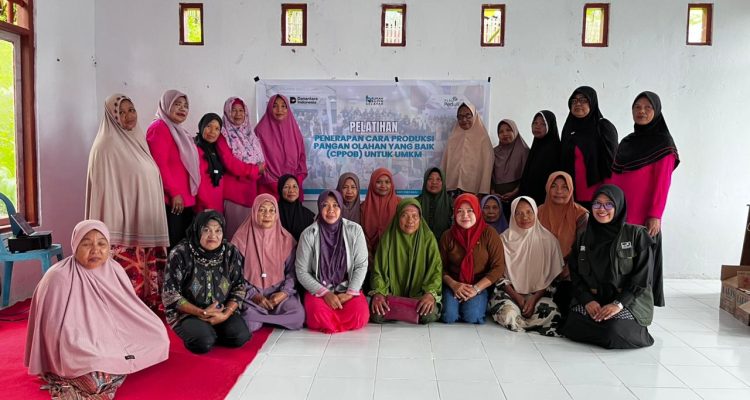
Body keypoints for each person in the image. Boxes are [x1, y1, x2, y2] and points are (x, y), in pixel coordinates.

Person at [25, 220, 169, 399]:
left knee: (159, 337)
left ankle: (113, 365)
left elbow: (129, 308)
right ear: (75, 246)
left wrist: (119, 339)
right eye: (86, 244)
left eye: (102, 244)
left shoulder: (114, 269)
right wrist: (85, 348)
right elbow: (51, 330)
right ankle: (103, 368)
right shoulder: (58, 277)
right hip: (78, 343)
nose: (95, 250)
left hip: (113, 335)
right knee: (94, 376)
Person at [85, 93, 170, 311]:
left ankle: (148, 304)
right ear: (112, 117)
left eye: (131, 110)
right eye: (121, 113)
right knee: (128, 276)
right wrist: (115, 223)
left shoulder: (136, 139)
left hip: (144, 220)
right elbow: (104, 192)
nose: (128, 116)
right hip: (123, 226)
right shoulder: (105, 146)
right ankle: (127, 310)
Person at [561, 185, 655, 349]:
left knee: (613, 330)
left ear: (619, 206)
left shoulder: (636, 235)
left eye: (609, 204)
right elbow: (575, 275)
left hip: (628, 301)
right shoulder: (583, 237)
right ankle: (603, 329)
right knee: (571, 325)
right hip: (595, 300)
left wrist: (618, 304)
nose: (602, 209)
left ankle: (614, 330)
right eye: (597, 203)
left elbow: (642, 279)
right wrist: (587, 300)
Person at [610, 91, 679, 308]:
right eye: (637, 107)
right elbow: (614, 178)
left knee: (640, 261)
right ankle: (618, 303)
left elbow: (663, 183)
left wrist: (655, 215)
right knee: (621, 260)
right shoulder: (627, 142)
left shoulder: (663, 144)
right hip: (620, 213)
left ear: (656, 111)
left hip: (643, 216)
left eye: (648, 107)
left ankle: (640, 307)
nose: (641, 111)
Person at [162, 211, 251, 354]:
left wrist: (225, 314)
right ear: (197, 230)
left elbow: (239, 287)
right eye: (206, 230)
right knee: (203, 343)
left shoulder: (230, 252)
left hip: (221, 310)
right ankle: (204, 332)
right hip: (188, 313)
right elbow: (170, 295)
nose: (213, 235)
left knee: (240, 336)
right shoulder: (180, 254)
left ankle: (211, 329)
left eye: (217, 230)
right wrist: (201, 312)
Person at [295, 190, 370, 333]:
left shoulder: (355, 230)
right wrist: (325, 294)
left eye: (335, 205)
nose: (331, 210)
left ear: (341, 207)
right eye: (325, 205)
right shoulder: (308, 234)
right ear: (319, 207)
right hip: (320, 289)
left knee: (360, 315)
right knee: (316, 316)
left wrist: (350, 293)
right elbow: (301, 271)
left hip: (347, 288)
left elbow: (361, 265)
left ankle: (333, 324)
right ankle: (333, 323)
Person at [489, 197, 564, 336]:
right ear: (513, 215)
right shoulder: (503, 240)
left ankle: (521, 323)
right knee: (508, 313)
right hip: (510, 293)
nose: (525, 217)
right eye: (519, 213)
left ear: (536, 212)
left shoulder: (549, 240)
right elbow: (498, 274)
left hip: (539, 295)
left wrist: (533, 299)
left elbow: (551, 278)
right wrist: (518, 298)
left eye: (529, 212)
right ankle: (528, 323)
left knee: (552, 313)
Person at [231, 194, 304, 332]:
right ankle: (267, 318)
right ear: (254, 212)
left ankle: (262, 318)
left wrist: (284, 293)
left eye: (272, 210)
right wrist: (253, 295)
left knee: (298, 316)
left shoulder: (286, 239)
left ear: (276, 214)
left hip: (278, 293)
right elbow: (235, 274)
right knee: (249, 324)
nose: (267, 214)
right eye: (262, 210)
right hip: (251, 295)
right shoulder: (240, 238)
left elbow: (292, 272)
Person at [370, 199, 442, 324]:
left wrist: (430, 294)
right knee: (377, 314)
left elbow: (435, 271)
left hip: (419, 296)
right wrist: (379, 293)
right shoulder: (388, 238)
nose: (410, 221)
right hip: (391, 295)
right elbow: (378, 271)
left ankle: (398, 312)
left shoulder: (428, 238)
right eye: (405, 215)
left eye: (415, 216)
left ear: (420, 218)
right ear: (398, 217)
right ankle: (406, 312)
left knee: (428, 314)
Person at [439, 194, 505, 324]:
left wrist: (476, 289)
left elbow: (498, 267)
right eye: (460, 211)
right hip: (453, 284)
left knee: (472, 316)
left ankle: (473, 304)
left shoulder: (489, 234)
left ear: (477, 211)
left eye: (470, 210)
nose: (465, 215)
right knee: (449, 316)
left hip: (479, 284)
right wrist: (454, 285)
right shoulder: (448, 236)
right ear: (454, 213)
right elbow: (439, 267)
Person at [147, 89, 200, 247]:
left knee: (184, 247)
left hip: (186, 199)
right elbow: (159, 164)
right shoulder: (159, 128)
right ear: (166, 105)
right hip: (172, 200)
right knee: (174, 246)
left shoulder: (180, 132)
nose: (182, 109)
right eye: (177, 104)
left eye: (185, 105)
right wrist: (174, 192)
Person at [560, 86, 618, 209]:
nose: (578, 104)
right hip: (570, 196)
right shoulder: (568, 129)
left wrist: (608, 194)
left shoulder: (603, 127)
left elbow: (611, 163)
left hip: (597, 197)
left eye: (583, 100)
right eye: (574, 101)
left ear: (592, 102)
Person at [194, 113, 261, 214]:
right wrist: (207, 206)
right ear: (202, 126)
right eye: (208, 126)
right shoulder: (197, 151)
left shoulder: (216, 150)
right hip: (204, 206)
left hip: (218, 203)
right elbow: (198, 182)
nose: (212, 132)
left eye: (217, 129)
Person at [220, 97, 267, 239]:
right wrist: (255, 170)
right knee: (234, 237)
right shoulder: (223, 135)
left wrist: (259, 169)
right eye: (233, 110)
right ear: (227, 112)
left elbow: (261, 161)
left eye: (241, 110)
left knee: (248, 238)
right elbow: (230, 164)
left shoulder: (250, 134)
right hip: (234, 195)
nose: (238, 114)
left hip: (251, 193)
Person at [255, 94, 308, 198]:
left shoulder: (295, 131)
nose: (280, 110)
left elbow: (302, 159)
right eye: (275, 106)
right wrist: (278, 186)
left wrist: (295, 183)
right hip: (269, 189)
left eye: (283, 106)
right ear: (269, 108)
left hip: (293, 191)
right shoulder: (259, 132)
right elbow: (257, 162)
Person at [441, 102, 494, 195]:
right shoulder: (453, 137)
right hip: (453, 189)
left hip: (474, 190)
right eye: (460, 117)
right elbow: (445, 162)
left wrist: (483, 190)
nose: (464, 120)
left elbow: (487, 166)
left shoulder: (483, 139)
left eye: (468, 116)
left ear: (474, 116)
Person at [519, 110, 562, 206]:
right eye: (535, 123)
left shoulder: (555, 150)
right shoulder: (535, 147)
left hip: (547, 202)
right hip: (530, 202)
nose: (537, 126)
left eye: (543, 124)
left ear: (550, 126)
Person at [491, 119, 529, 218]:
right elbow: (488, 175)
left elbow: (528, 176)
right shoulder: (493, 152)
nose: (505, 134)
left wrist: (515, 192)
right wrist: (493, 192)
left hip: (517, 198)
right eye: (501, 132)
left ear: (515, 131)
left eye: (508, 130)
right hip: (496, 199)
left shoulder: (524, 152)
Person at [360, 168, 401, 258]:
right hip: (367, 254)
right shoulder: (363, 207)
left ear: (392, 184)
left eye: (387, 182)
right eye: (378, 182)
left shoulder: (400, 204)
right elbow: (361, 234)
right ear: (372, 183)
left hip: (394, 253)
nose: (383, 185)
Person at [415, 167, 453, 241]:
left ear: (443, 182)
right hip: (420, 243)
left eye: (438, 179)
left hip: (444, 244)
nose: (434, 182)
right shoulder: (416, 203)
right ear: (425, 182)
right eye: (430, 179)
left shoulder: (451, 203)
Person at [277, 174, 315, 241]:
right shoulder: (273, 212)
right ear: (280, 189)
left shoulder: (307, 215)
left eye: (294, 186)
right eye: (286, 187)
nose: (291, 190)